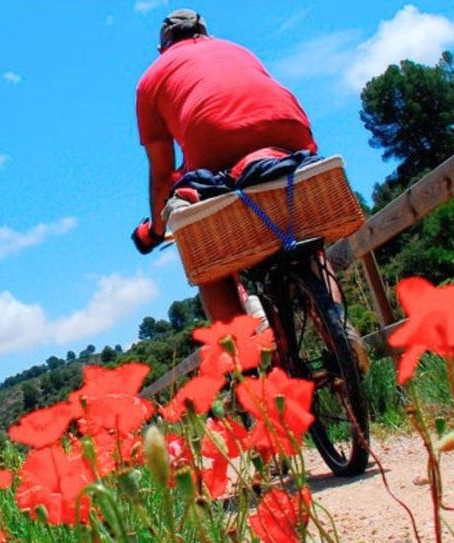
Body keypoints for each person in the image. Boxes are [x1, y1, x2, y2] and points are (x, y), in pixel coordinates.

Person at [131, 9, 317, 323]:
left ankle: (244, 358)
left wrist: (155, 232)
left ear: (162, 48)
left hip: (215, 141)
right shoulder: (238, 49)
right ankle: (336, 320)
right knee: (307, 243)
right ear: (206, 34)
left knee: (204, 253)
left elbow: (163, 175)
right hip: (291, 130)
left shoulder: (151, 79)